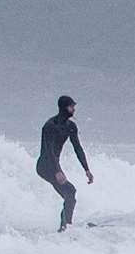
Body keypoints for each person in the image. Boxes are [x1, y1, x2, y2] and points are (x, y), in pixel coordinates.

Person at [36, 94, 93, 231]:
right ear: (64, 108)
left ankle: (65, 226)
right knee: (70, 191)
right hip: (44, 166)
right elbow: (49, 151)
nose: (74, 110)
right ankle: (65, 228)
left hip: (54, 166)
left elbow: (77, 148)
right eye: (72, 107)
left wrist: (87, 169)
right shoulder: (49, 126)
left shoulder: (71, 126)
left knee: (69, 195)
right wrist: (57, 171)